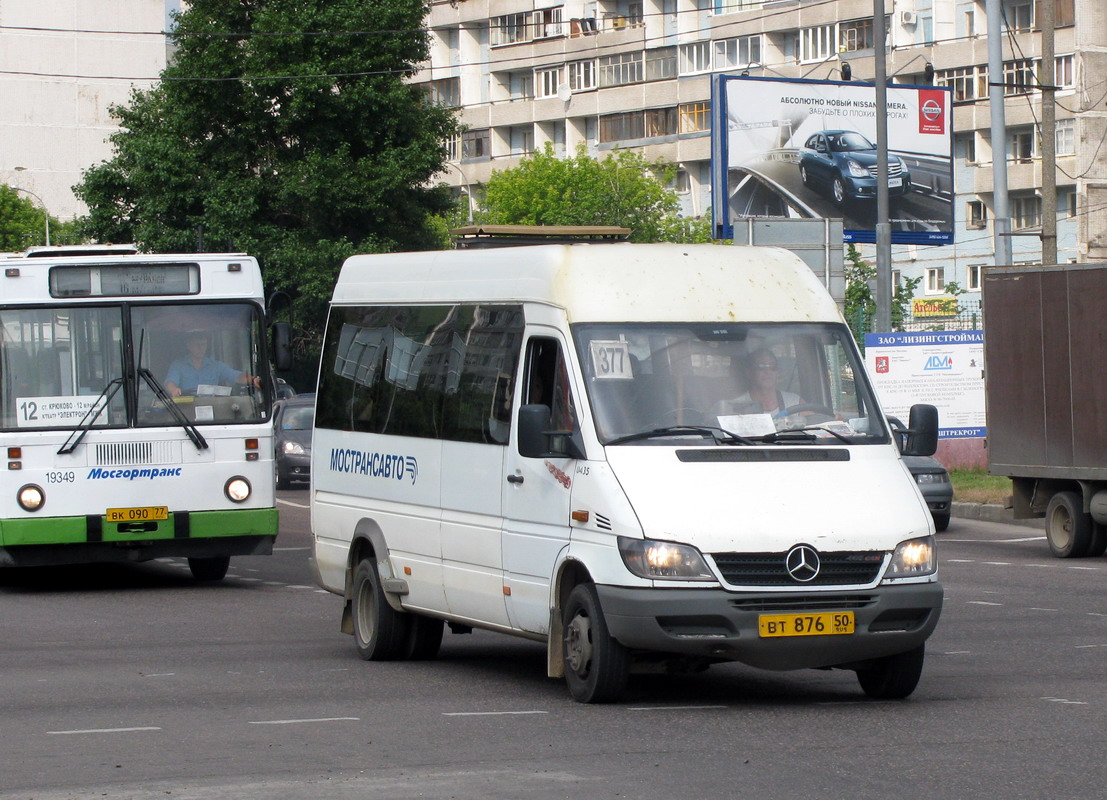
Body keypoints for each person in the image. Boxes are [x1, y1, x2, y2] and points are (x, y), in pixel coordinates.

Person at [164, 331, 260, 397]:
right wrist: (174, 390)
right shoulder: (178, 365)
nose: (200, 348)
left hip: (214, 412)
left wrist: (253, 379)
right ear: (189, 346)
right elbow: (170, 383)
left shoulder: (216, 366)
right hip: (186, 412)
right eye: (196, 345)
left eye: (203, 345)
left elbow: (236, 376)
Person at [717, 348, 804, 419]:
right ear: (749, 373)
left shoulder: (795, 402)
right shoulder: (736, 407)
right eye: (761, 367)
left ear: (778, 372)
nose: (768, 371)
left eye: (772, 367)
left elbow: (814, 429)